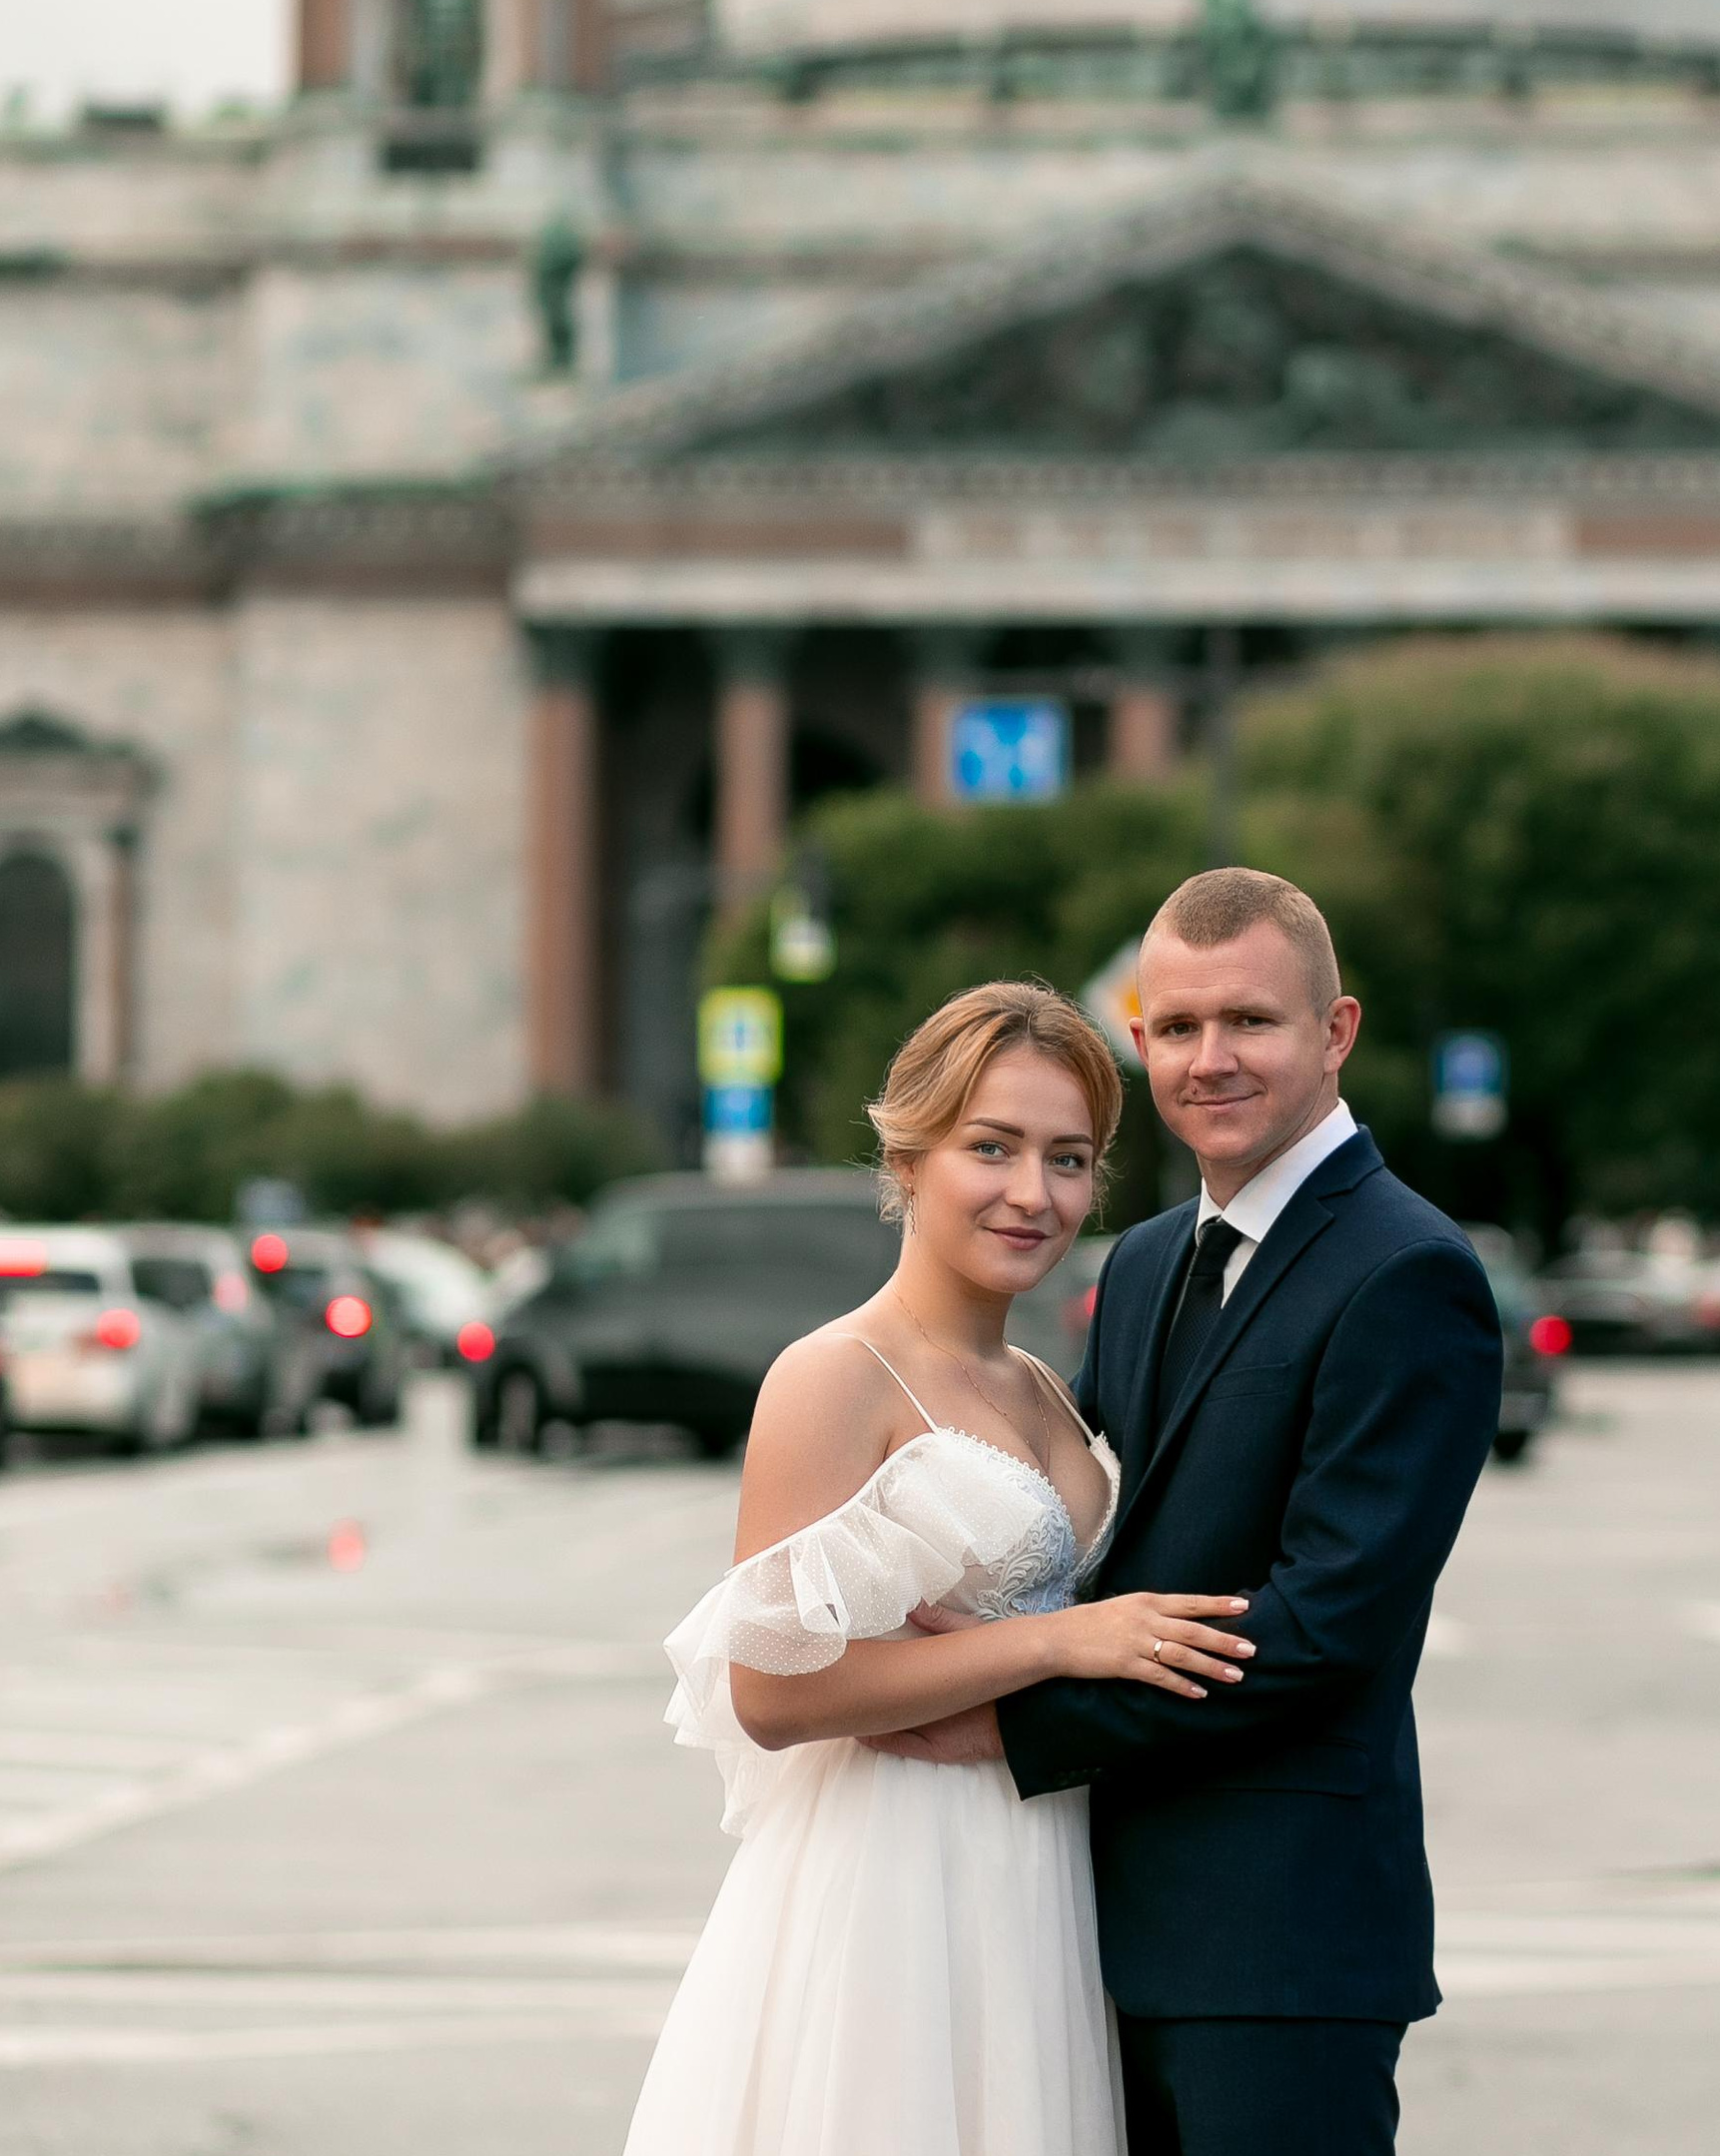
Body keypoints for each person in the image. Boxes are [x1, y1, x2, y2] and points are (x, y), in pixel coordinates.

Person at [866, 869, 1505, 2155]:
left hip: (1274, 1945)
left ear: (1336, 1034)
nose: (1207, 1058)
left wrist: (1009, 1720)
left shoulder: (1409, 1269)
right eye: (1173, 1025)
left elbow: (1326, 1626)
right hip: (1072, 1923)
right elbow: (1085, 1543)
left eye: (1249, 1022)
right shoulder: (1149, 1256)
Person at [623, 980, 1253, 2156]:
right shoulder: (833, 1373)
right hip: (895, 1879)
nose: (1034, 1193)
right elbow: (768, 1690)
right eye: (991, 1147)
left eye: (1069, 1159)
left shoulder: (1048, 1387)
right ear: (908, 1155)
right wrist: (1056, 1642)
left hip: (1039, 1862)